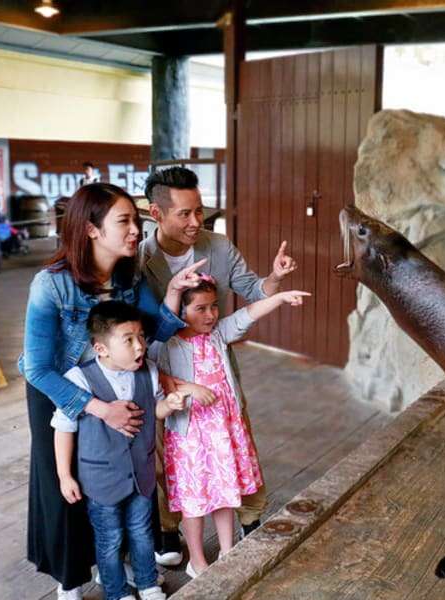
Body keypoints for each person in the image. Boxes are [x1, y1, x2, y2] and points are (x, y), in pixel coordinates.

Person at [20, 182, 206, 600]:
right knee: (66, 486)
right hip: (59, 391)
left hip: (117, 385)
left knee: (121, 474)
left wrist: (174, 292)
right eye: (124, 221)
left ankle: (115, 562)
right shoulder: (50, 286)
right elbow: (37, 368)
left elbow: (154, 332)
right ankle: (68, 579)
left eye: (135, 222)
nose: (135, 230)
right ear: (90, 229)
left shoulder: (129, 276)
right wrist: (99, 409)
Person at [139, 166, 297, 565]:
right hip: (165, 376)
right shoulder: (142, 258)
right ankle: (170, 530)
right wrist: (167, 380)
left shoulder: (220, 246)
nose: (196, 222)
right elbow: (142, 328)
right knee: (167, 456)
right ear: (156, 214)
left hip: (215, 370)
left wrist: (275, 279)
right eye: (185, 214)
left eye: (200, 211)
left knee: (237, 445)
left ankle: (250, 518)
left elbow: (254, 291)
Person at [155, 274, 309, 576]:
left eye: (213, 307)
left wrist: (278, 298)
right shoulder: (168, 344)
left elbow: (245, 316)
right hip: (190, 435)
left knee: (226, 490)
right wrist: (187, 387)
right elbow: (154, 375)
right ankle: (197, 560)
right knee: (194, 498)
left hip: (224, 432)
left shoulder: (217, 335)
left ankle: (228, 550)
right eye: (200, 308)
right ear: (180, 310)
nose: (210, 315)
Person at [53, 301, 178, 600]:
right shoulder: (79, 379)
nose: (140, 346)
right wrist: (64, 476)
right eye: (129, 340)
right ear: (101, 349)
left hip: (141, 475)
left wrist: (168, 406)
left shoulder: (148, 371)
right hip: (101, 479)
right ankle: (116, 591)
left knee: (142, 532)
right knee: (109, 540)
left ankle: (148, 584)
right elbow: (63, 429)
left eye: (142, 337)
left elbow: (152, 410)